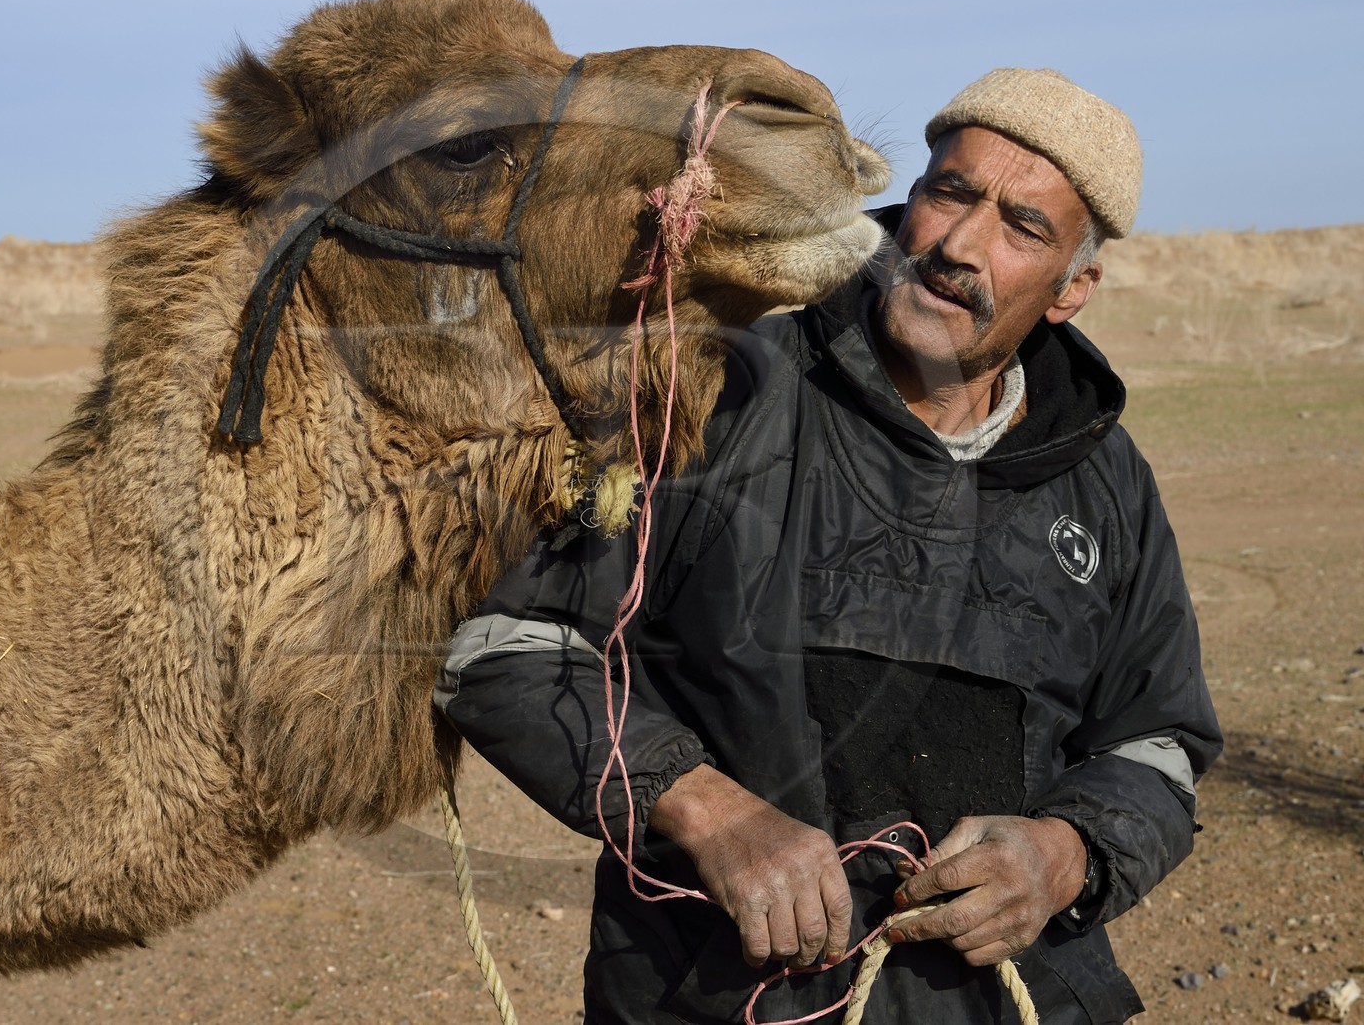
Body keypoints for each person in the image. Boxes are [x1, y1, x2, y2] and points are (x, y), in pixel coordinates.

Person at [436, 68, 1222, 1024]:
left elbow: (1158, 740)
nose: (959, 246)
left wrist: (1063, 854)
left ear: (1073, 287)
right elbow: (508, 646)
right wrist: (703, 807)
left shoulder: (1102, 477)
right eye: (950, 191)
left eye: (1023, 227)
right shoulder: (721, 390)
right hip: (720, 995)